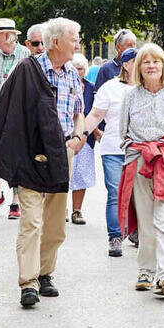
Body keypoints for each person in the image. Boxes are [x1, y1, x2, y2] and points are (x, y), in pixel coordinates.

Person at [0, 17, 86, 308]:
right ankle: (27, 283)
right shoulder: (28, 71)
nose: (77, 44)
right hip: (31, 155)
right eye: (74, 38)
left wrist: (78, 136)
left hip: (62, 153)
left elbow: (79, 111)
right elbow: (10, 112)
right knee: (31, 220)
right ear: (56, 42)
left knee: (55, 224)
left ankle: (45, 274)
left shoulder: (71, 75)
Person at [118, 44, 164, 297]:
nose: (152, 66)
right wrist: (138, 152)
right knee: (147, 221)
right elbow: (122, 132)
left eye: (157, 61)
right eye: (146, 62)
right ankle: (146, 272)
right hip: (140, 162)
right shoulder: (130, 96)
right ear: (139, 67)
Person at [83, 47, 136, 257]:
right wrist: (79, 135)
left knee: (138, 195)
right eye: (135, 61)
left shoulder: (148, 88)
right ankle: (115, 236)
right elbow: (96, 114)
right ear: (125, 63)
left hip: (140, 149)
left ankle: (135, 230)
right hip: (113, 147)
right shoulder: (110, 88)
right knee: (115, 193)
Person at [0, 18, 30, 217]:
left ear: (9, 36)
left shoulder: (26, 56)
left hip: (17, 118)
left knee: (16, 158)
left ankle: (15, 201)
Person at [68, 52, 97, 224]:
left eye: (81, 68)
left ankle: (77, 210)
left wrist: (94, 133)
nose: (79, 71)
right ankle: (61, 208)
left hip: (87, 137)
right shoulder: (66, 84)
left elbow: (97, 112)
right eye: (76, 68)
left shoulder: (92, 87)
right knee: (65, 172)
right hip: (68, 135)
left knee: (82, 174)